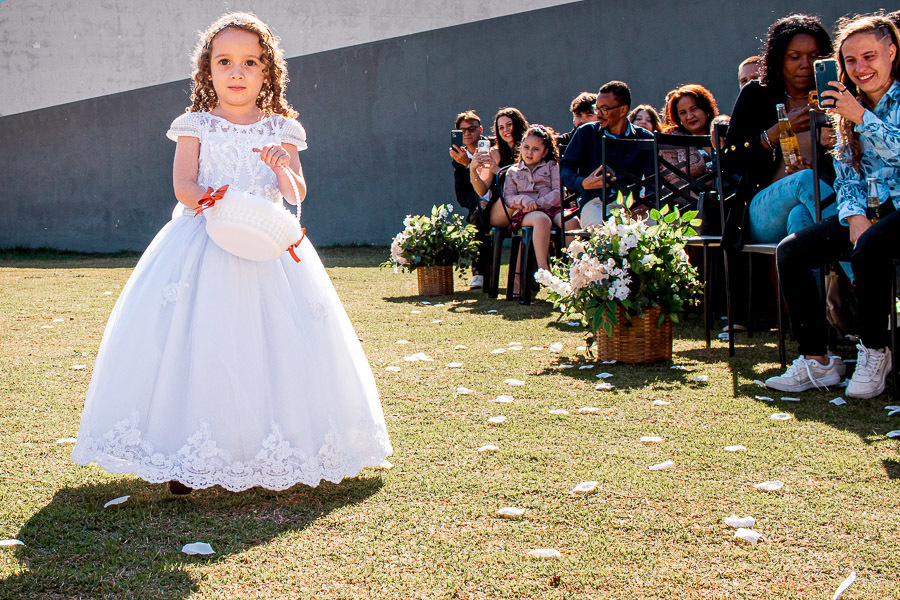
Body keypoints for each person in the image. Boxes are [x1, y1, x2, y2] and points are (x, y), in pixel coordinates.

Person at [71, 12, 392, 493]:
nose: (236, 72)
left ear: (267, 72)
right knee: (198, 341)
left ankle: (269, 448)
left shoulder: (280, 128)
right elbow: (182, 184)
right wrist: (208, 197)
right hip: (203, 239)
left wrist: (282, 166)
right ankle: (187, 454)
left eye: (249, 62)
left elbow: (296, 191)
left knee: (270, 344)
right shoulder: (194, 124)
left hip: (265, 244)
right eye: (225, 62)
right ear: (208, 71)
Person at [767, 14, 900, 398]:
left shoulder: (863, 107)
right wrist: (854, 215)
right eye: (850, 61)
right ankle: (818, 361)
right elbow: (846, 173)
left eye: (870, 57)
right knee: (793, 249)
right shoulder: (846, 105)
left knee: (872, 247)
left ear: (891, 52)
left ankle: (875, 350)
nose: (860, 69)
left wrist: (863, 118)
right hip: (872, 211)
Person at [490, 125, 578, 288]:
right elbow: (508, 198)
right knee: (542, 220)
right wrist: (523, 200)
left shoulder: (552, 166)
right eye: (526, 147)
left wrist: (538, 203)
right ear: (520, 147)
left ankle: (576, 269)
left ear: (545, 152)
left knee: (571, 221)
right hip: (526, 214)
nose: (529, 152)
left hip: (552, 208)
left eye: (536, 149)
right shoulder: (513, 171)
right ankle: (544, 270)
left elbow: (558, 192)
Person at [560, 80, 655, 228]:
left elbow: (653, 179)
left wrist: (648, 202)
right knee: (605, 230)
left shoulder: (645, 137)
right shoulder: (586, 133)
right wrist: (582, 182)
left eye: (604, 109)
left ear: (623, 110)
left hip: (634, 204)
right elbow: (564, 170)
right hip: (596, 201)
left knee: (655, 230)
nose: (598, 114)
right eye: (596, 109)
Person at [450, 110, 492, 288]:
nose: (467, 133)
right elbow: (461, 194)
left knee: (480, 217)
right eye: (462, 130)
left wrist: (469, 165)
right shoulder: (458, 157)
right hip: (478, 205)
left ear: (480, 129)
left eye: (472, 129)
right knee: (477, 217)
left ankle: (484, 272)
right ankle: (479, 272)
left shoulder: (491, 149)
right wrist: (477, 203)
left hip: (498, 199)